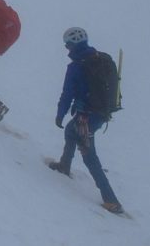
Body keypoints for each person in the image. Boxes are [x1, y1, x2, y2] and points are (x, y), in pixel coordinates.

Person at [49, 27, 124, 214]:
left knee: (89, 155)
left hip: (87, 116)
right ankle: (64, 165)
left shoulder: (76, 66)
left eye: (67, 45)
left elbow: (67, 94)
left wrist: (60, 114)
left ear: (71, 45)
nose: (66, 48)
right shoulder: (101, 58)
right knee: (70, 131)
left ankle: (111, 200)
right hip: (101, 113)